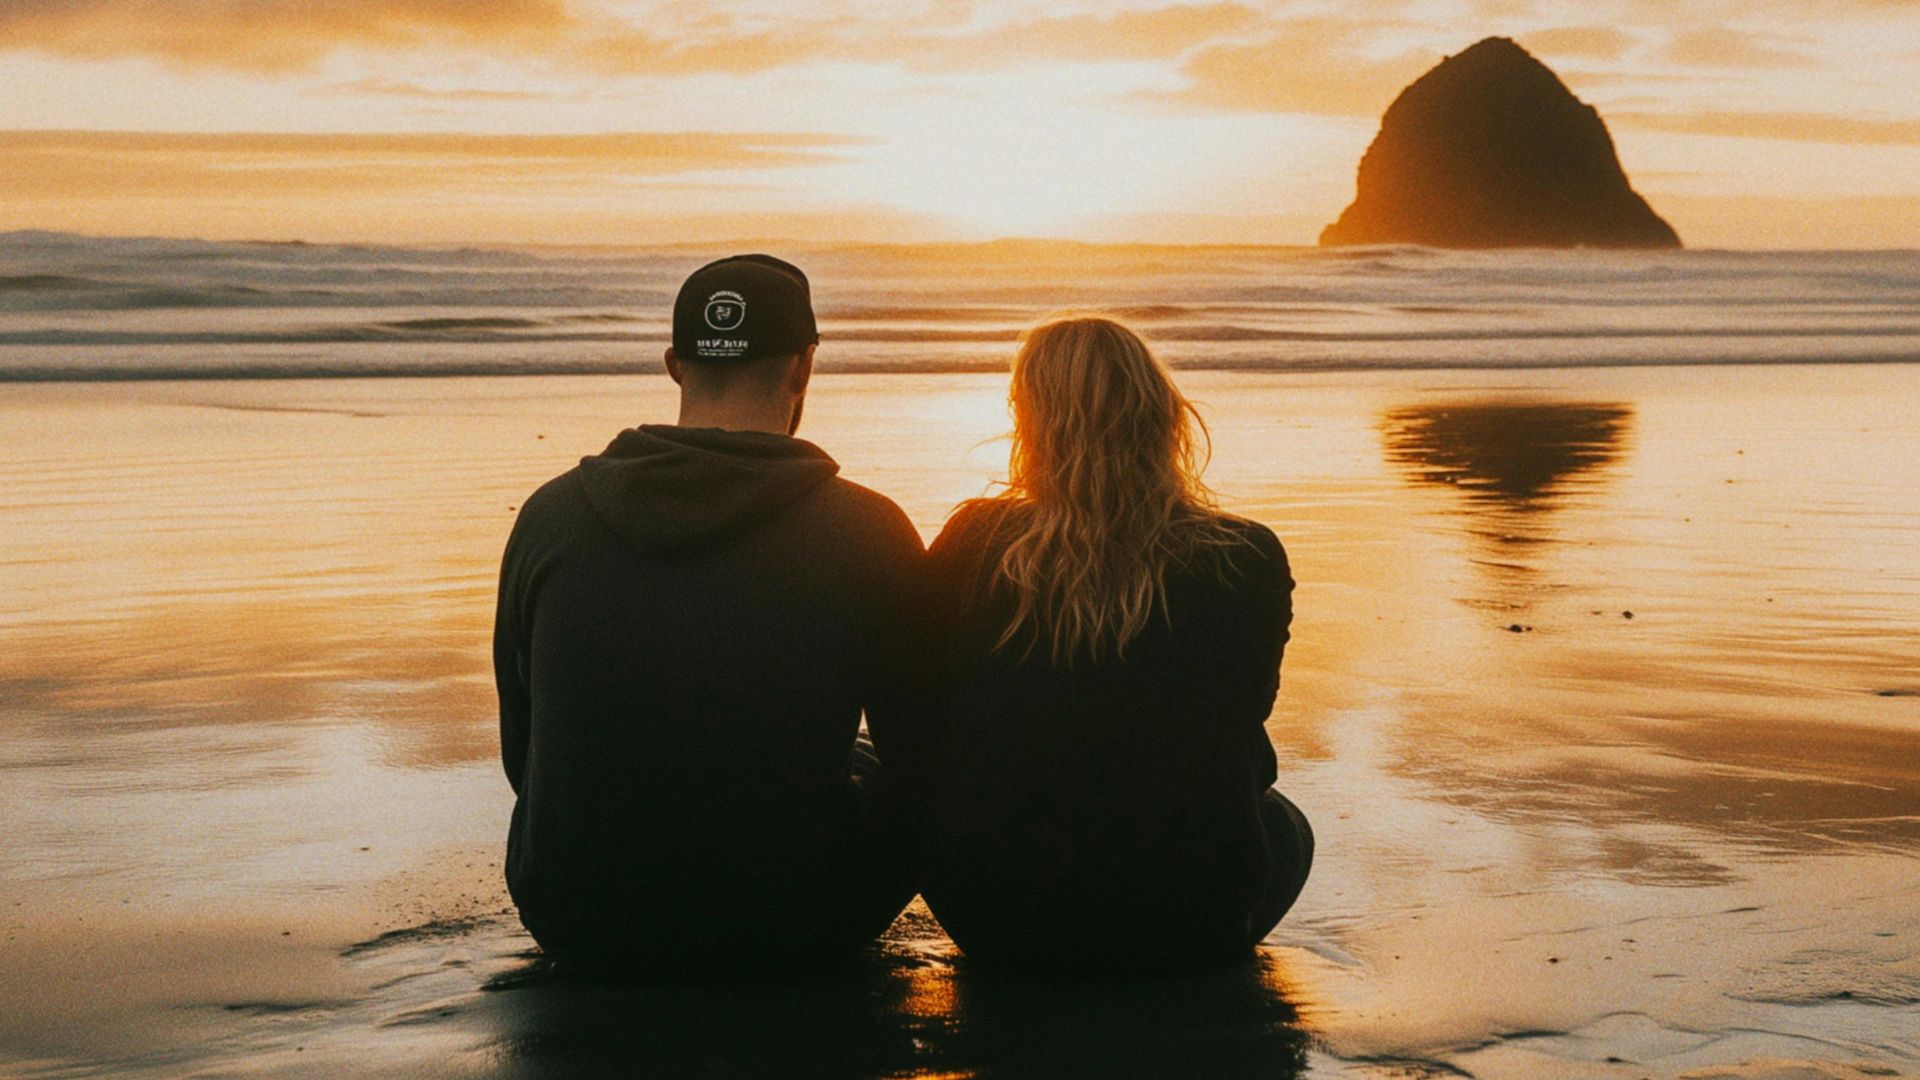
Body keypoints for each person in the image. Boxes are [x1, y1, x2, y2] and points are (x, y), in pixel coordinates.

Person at [493, 254, 921, 979]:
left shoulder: (550, 515)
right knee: (877, 765)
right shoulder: (868, 529)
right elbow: (923, 755)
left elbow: (522, 750)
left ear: (673, 365)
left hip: (576, 913)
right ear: (803, 366)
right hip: (795, 923)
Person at [911, 316, 1312, 976]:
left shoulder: (975, 540)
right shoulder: (1246, 554)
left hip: (1000, 921)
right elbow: (1243, 716)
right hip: (1190, 924)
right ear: (1160, 415)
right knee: (1284, 824)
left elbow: (916, 708)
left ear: (1030, 422)